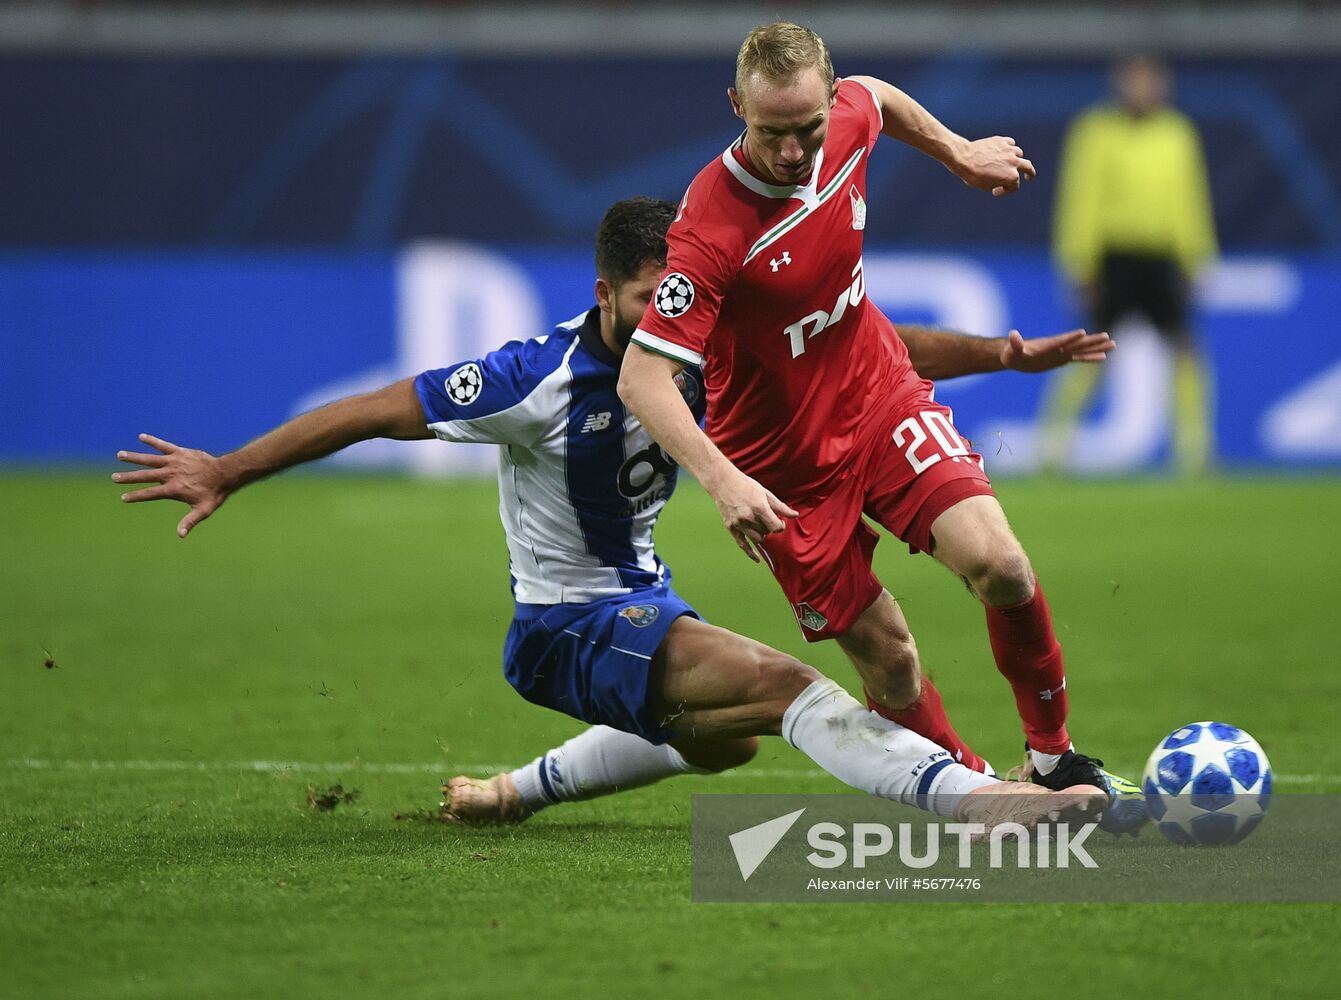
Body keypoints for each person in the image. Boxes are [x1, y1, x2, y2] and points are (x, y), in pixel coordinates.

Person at [113, 197, 1110, 832]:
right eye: (650, 299)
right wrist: (229, 469)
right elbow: (373, 409)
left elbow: (863, 346)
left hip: (642, 601)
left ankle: (514, 794)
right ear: (604, 294)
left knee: (728, 737)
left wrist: (1004, 354)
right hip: (562, 627)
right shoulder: (535, 378)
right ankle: (979, 802)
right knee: (791, 687)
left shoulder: (704, 331)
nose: (675, 316)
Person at [616, 22, 1130, 805]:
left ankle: (1054, 758)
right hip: (781, 470)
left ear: (829, 97)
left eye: (807, 128)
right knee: (889, 660)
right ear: (735, 107)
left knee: (1002, 567)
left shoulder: (848, 117)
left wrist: (957, 151)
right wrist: (722, 484)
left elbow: (879, 100)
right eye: (770, 133)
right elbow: (642, 379)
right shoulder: (710, 230)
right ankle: (983, 792)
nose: (791, 152)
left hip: (878, 400)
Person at [1044, 53, 1218, 475]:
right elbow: (1080, 198)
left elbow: (1190, 198)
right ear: (1120, 85)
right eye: (1135, 81)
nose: (1143, 89)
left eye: (1150, 80)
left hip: (1162, 258)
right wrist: (1079, 262)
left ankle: (1195, 454)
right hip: (1114, 259)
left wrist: (1198, 256)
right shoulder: (1097, 131)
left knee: (1185, 351)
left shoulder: (1177, 133)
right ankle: (1051, 446)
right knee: (1091, 353)